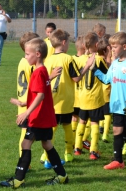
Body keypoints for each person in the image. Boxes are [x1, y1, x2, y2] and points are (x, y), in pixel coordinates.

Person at [0, 38, 68, 188]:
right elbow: (41, 92)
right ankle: (62, 176)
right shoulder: (43, 70)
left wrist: (26, 112)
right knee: (47, 144)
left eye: (27, 54)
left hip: (38, 117)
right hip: (44, 115)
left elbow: (40, 95)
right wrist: (24, 103)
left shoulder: (38, 73)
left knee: (26, 143)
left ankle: (18, 179)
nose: (25, 57)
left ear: (37, 54)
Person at [44, 29, 95, 163]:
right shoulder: (68, 58)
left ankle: (46, 156)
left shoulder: (48, 60)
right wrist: (87, 66)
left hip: (52, 101)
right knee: (67, 127)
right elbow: (77, 78)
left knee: (52, 129)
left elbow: (45, 80)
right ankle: (68, 154)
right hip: (66, 101)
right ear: (64, 42)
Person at [92, 32, 126, 169]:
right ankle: (118, 161)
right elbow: (107, 79)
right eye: (111, 47)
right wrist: (94, 69)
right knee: (117, 131)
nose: (112, 50)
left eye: (115, 47)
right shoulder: (115, 64)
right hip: (117, 106)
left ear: (124, 46)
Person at [74, 32, 108, 160]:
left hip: (82, 98)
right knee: (94, 123)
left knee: (81, 122)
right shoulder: (99, 59)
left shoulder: (80, 60)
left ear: (83, 45)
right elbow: (107, 76)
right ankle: (93, 151)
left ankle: (77, 148)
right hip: (95, 99)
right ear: (97, 44)